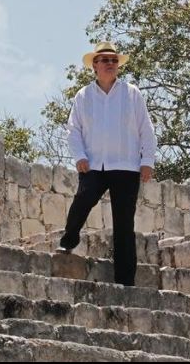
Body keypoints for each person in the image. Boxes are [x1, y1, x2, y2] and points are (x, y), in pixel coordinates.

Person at [56, 41, 157, 287]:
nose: (110, 64)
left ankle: (125, 282)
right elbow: (73, 129)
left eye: (114, 60)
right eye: (105, 60)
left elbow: (146, 128)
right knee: (83, 200)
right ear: (95, 65)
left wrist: (147, 161)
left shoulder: (132, 93)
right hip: (94, 165)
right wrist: (79, 156)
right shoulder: (84, 95)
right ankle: (69, 239)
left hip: (126, 166)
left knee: (124, 224)